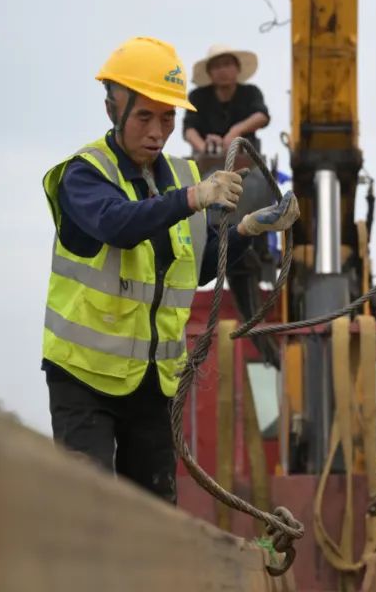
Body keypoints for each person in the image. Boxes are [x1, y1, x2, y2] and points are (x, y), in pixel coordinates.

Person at [40, 36, 299, 503]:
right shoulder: (85, 174)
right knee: (87, 507)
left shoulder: (181, 176)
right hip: (85, 379)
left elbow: (196, 267)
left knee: (154, 514)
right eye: (145, 117)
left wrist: (245, 230)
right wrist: (194, 199)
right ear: (112, 110)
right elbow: (116, 224)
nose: (158, 131)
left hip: (152, 382)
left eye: (167, 118)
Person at [183, 44, 270, 156]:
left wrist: (236, 131)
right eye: (216, 66)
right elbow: (189, 129)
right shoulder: (197, 96)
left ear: (238, 68)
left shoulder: (250, 92)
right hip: (205, 159)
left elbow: (261, 116)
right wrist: (204, 148)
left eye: (227, 64)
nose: (222, 70)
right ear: (209, 72)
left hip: (246, 156)